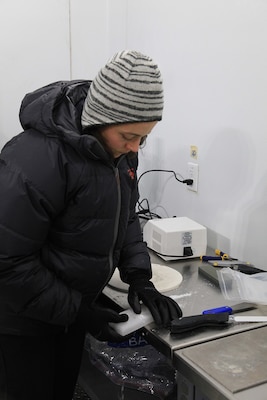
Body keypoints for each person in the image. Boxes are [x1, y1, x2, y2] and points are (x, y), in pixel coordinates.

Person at [0, 50, 182, 400]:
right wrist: (80, 311)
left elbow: (125, 217)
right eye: (129, 136)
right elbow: (8, 260)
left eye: (143, 138)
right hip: (22, 321)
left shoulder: (120, 151)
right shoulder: (36, 159)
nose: (135, 147)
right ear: (99, 118)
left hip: (67, 314)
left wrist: (140, 277)